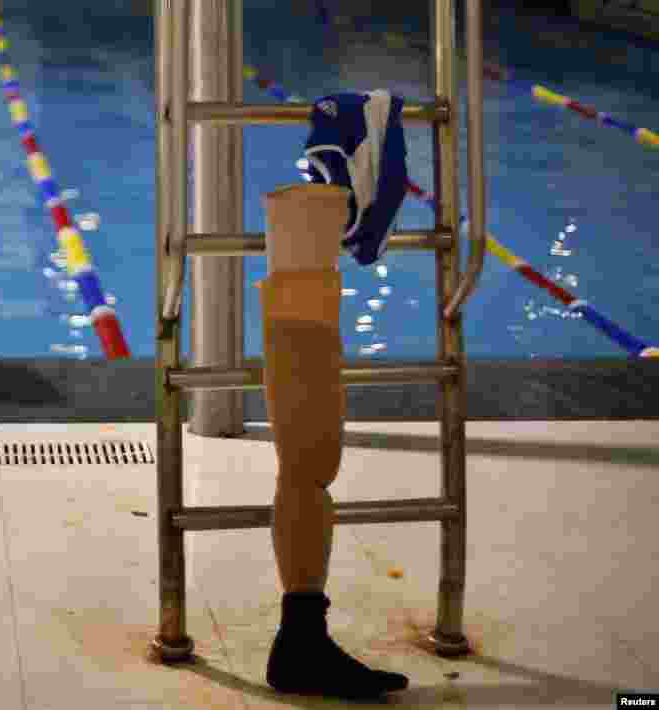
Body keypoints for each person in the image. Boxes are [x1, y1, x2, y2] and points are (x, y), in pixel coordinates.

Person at [261, 90, 410, 701]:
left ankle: (301, 635)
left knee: (307, 462)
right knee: (309, 460)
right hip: (301, 267)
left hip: (301, 259)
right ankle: (299, 641)